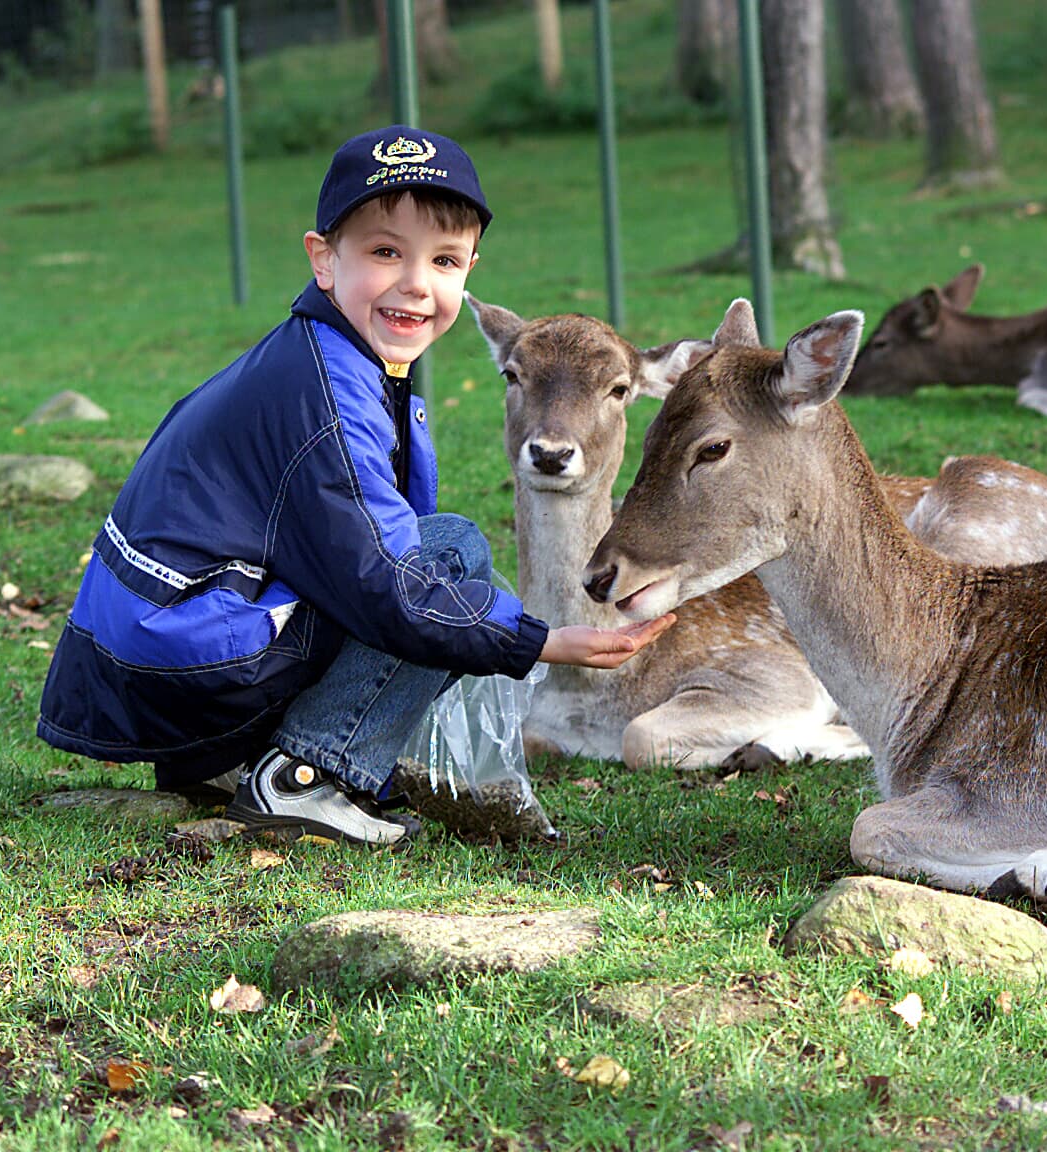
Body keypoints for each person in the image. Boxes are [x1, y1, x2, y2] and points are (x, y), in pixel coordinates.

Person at [36, 125, 672, 845]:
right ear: (323, 260)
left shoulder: (325, 359)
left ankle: (228, 761)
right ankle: (307, 776)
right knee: (451, 554)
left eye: (443, 260)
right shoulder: (327, 395)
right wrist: (540, 641)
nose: (415, 283)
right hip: (178, 661)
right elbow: (389, 585)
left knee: (434, 556)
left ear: (468, 273)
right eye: (384, 252)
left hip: (154, 659)